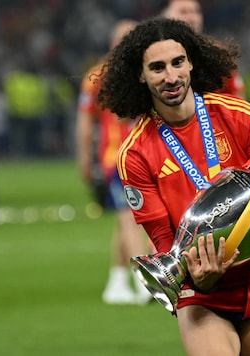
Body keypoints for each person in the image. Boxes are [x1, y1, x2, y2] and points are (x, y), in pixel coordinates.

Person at [96, 17, 250, 355]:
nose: (171, 76)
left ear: (191, 62)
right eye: (157, 67)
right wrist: (196, 277)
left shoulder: (240, 117)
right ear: (140, 74)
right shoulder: (135, 153)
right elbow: (164, 242)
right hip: (203, 295)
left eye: (178, 62)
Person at [76, 19, 156, 305]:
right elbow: (85, 121)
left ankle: (117, 280)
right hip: (117, 158)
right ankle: (143, 281)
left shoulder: (143, 72)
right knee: (130, 218)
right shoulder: (99, 77)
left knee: (127, 220)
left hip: (145, 155)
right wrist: (84, 157)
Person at [159, 0, 245, 98]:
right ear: (164, 16)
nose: (192, 18)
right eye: (183, 12)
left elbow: (239, 99)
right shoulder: (151, 55)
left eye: (196, 12)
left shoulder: (218, 55)